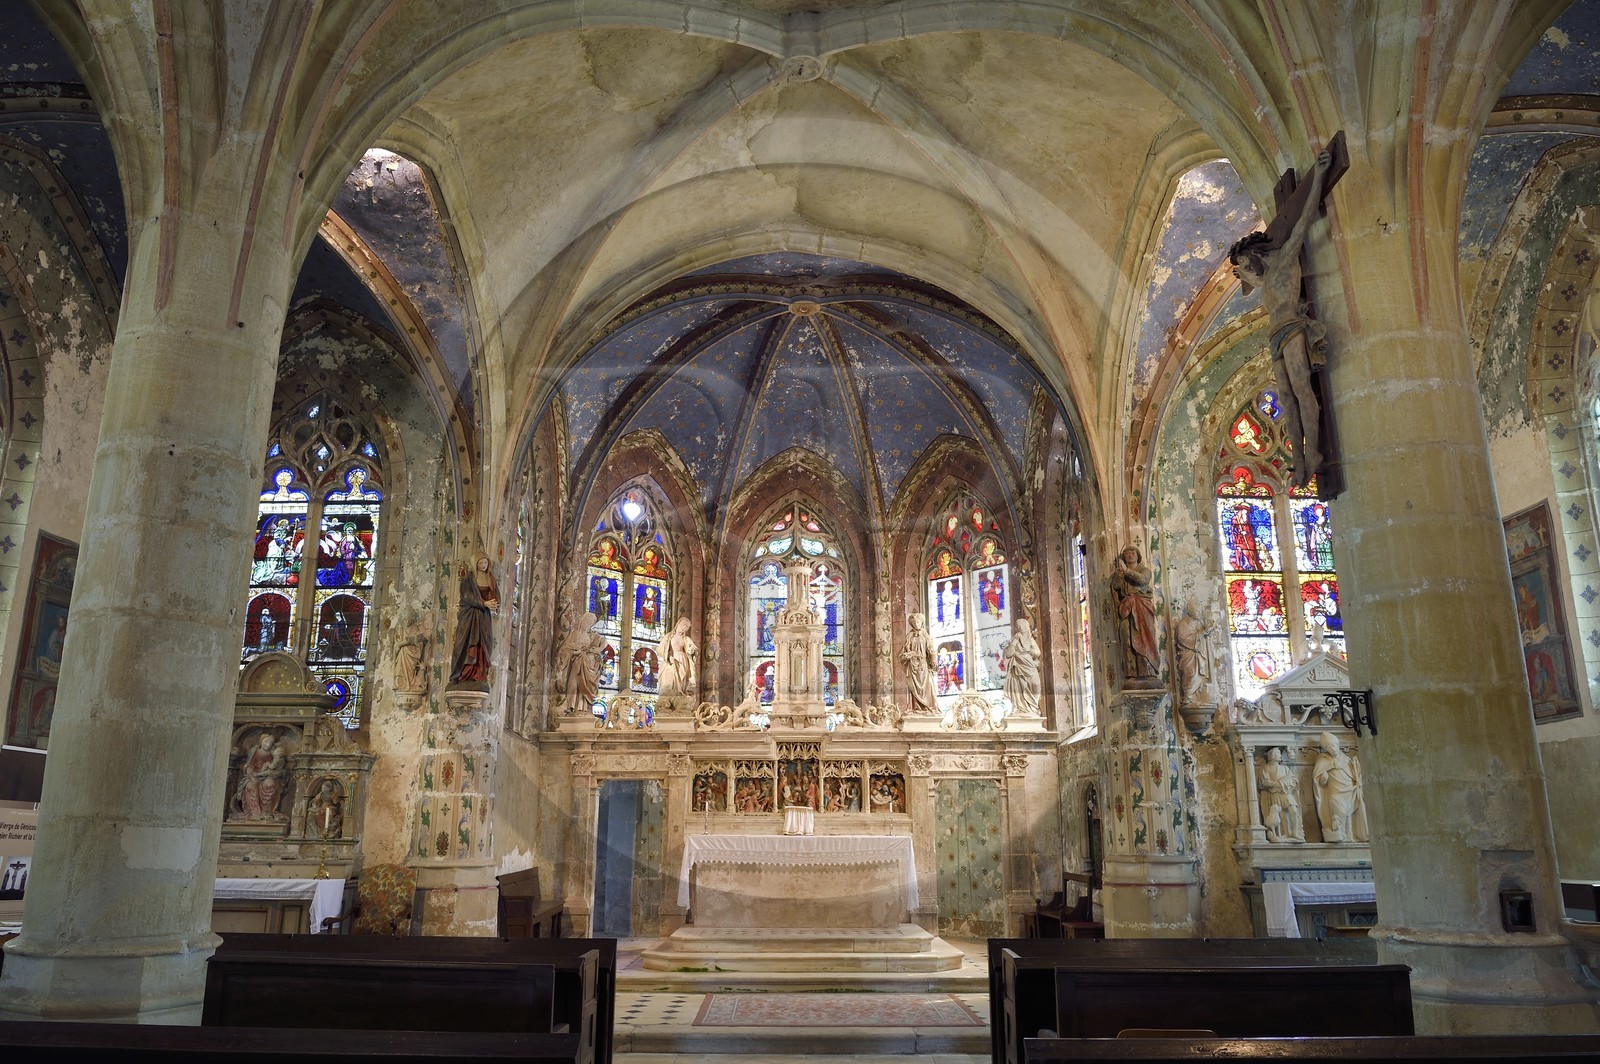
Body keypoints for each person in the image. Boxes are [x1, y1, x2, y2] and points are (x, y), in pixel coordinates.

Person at [1228, 148, 1333, 488]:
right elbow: (1249, 279)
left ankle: (1313, 452)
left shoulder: (1286, 259)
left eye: (1245, 266)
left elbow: (1301, 221)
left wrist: (1317, 176)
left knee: (1303, 390)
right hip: (1275, 335)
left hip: (1291, 328)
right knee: (1286, 398)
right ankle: (1299, 458)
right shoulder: (1262, 280)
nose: (1245, 274)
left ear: (1256, 256)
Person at [1111, 546, 1161, 682]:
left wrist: (1127, 571)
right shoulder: (1120, 572)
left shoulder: (1144, 570)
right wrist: (1120, 573)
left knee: (1144, 637)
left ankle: (1149, 671)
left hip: (1141, 606)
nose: (1130, 555)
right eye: (1127, 553)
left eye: (1133, 553)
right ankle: (1131, 673)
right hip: (1126, 607)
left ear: (1138, 556)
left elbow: (1143, 580)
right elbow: (1115, 586)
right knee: (1126, 636)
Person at [448, 555, 499, 685]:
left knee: (482, 643)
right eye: (480, 562)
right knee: (463, 641)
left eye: (485, 562)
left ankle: (479, 674)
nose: (483, 565)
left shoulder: (490, 578)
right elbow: (467, 596)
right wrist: (484, 603)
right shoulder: (468, 579)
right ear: (475, 564)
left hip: (483, 616)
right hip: (469, 615)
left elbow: (495, 594)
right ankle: (459, 674)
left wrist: (494, 603)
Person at [1312, 731, 1367, 843]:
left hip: (1350, 790)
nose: (1333, 749)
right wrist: (1324, 778)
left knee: (1351, 814)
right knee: (1339, 814)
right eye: (1329, 747)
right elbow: (1320, 782)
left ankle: (1351, 836)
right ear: (1326, 749)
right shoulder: (1323, 760)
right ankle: (1341, 836)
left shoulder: (1347, 759)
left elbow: (1354, 774)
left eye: (1334, 745)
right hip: (1336, 792)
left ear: (1338, 745)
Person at [554, 610, 605, 716]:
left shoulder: (592, 636)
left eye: (590, 624)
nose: (587, 625)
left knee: (584, 687)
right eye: (586, 622)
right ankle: (570, 706)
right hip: (575, 663)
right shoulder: (574, 634)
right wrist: (574, 651)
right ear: (582, 621)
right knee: (572, 684)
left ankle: (582, 709)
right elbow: (565, 648)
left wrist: (597, 649)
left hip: (587, 664)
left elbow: (603, 643)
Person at [232, 732, 287, 821]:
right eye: (265, 742)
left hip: (269, 775)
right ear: (261, 741)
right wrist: (251, 773)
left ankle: (267, 813)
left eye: (270, 743)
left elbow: (277, 766)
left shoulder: (274, 753)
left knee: (269, 785)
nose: (267, 744)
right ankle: (254, 813)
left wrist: (269, 769)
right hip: (255, 774)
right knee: (251, 786)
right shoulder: (255, 751)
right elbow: (250, 765)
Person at [1257, 747, 1304, 842]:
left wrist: (1283, 783)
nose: (1280, 755)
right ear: (1272, 755)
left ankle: (1295, 832)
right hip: (1274, 794)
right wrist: (1279, 783)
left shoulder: (1285, 768)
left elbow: (1293, 780)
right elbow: (1263, 783)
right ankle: (1285, 833)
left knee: (1293, 810)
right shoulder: (1266, 768)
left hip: (1285, 792)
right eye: (1278, 753)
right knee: (1281, 814)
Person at [1173, 600, 1214, 705]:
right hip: (1188, 655)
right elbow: (1182, 638)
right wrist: (1199, 635)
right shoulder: (1183, 624)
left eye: (1200, 611)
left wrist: (1207, 630)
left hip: (1199, 654)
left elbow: (1206, 628)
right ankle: (1188, 697)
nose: (1199, 613)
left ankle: (1198, 696)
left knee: (1199, 676)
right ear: (1190, 610)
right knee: (1190, 674)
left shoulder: (1200, 622)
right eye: (1196, 610)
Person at [1002, 616, 1042, 716]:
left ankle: (1033, 707)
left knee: (1036, 684)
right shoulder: (1013, 640)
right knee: (1020, 687)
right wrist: (1015, 641)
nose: (1022, 628)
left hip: (1030, 666)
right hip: (1018, 667)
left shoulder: (1030, 639)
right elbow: (1008, 654)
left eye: (1023, 625)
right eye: (1019, 626)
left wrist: (1029, 650)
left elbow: (1037, 652)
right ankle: (1022, 708)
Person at [902, 613, 938, 713]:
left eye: (917, 622)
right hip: (912, 666)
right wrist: (907, 655)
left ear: (921, 622)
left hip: (923, 665)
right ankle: (915, 707)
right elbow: (903, 651)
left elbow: (931, 650)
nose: (916, 624)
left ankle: (928, 707)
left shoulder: (926, 636)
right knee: (913, 687)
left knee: (927, 684)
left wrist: (934, 660)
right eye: (914, 623)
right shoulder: (909, 636)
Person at [663, 616, 698, 696]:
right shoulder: (669, 637)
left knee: (684, 676)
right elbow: (662, 649)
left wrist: (692, 650)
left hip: (683, 659)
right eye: (683, 625)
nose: (684, 628)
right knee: (671, 679)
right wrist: (668, 657)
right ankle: (674, 693)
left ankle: (682, 692)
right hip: (672, 659)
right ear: (678, 624)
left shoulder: (686, 639)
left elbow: (693, 649)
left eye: (686, 627)